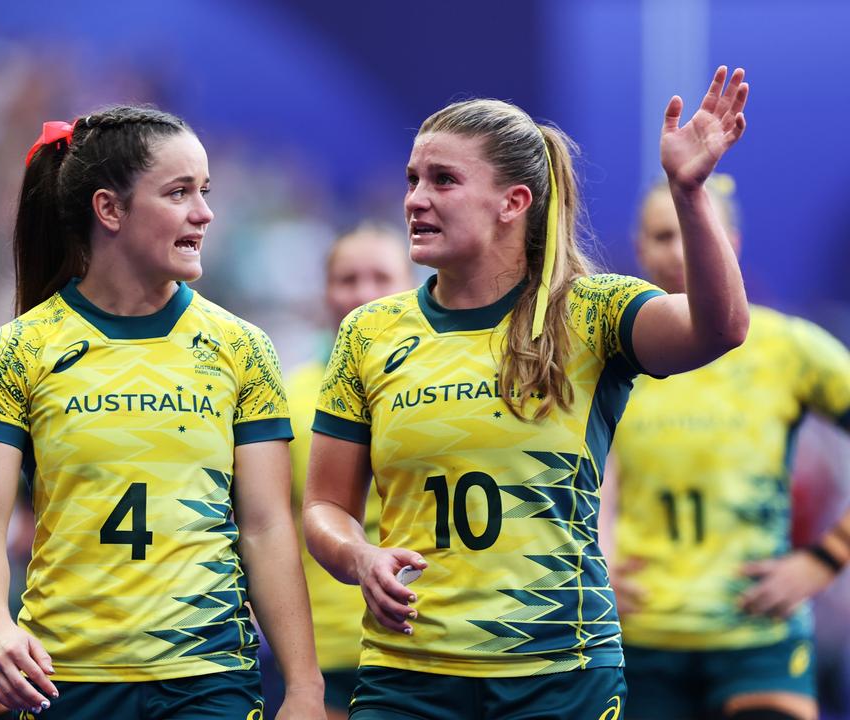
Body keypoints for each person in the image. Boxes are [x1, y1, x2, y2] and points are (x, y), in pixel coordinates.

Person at [302, 66, 751, 719]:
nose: (415, 199)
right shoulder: (368, 333)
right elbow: (324, 505)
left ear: (513, 202)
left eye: (443, 180)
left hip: (560, 675)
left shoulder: (595, 312)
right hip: (409, 677)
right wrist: (357, 555)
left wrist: (689, 192)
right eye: (411, 180)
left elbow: (722, 327)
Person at [0, 105, 325, 720]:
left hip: (209, 679)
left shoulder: (242, 348)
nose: (204, 214)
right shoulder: (16, 349)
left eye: (205, 192)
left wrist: (305, 687)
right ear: (110, 209)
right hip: (63, 678)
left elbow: (265, 526)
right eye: (179, 193)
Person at [603, 174, 850, 720]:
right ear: (640, 248)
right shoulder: (612, 355)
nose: (679, 249)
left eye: (694, 230)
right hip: (639, 640)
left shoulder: (788, 347)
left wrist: (823, 559)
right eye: (663, 236)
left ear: (730, 242)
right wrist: (592, 568)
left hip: (758, 640)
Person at [285, 224, 416, 719]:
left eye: (381, 277)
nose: (364, 294)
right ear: (324, 292)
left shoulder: (447, 391)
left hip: (427, 640)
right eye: (347, 279)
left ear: (411, 284)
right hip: (325, 648)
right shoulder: (287, 395)